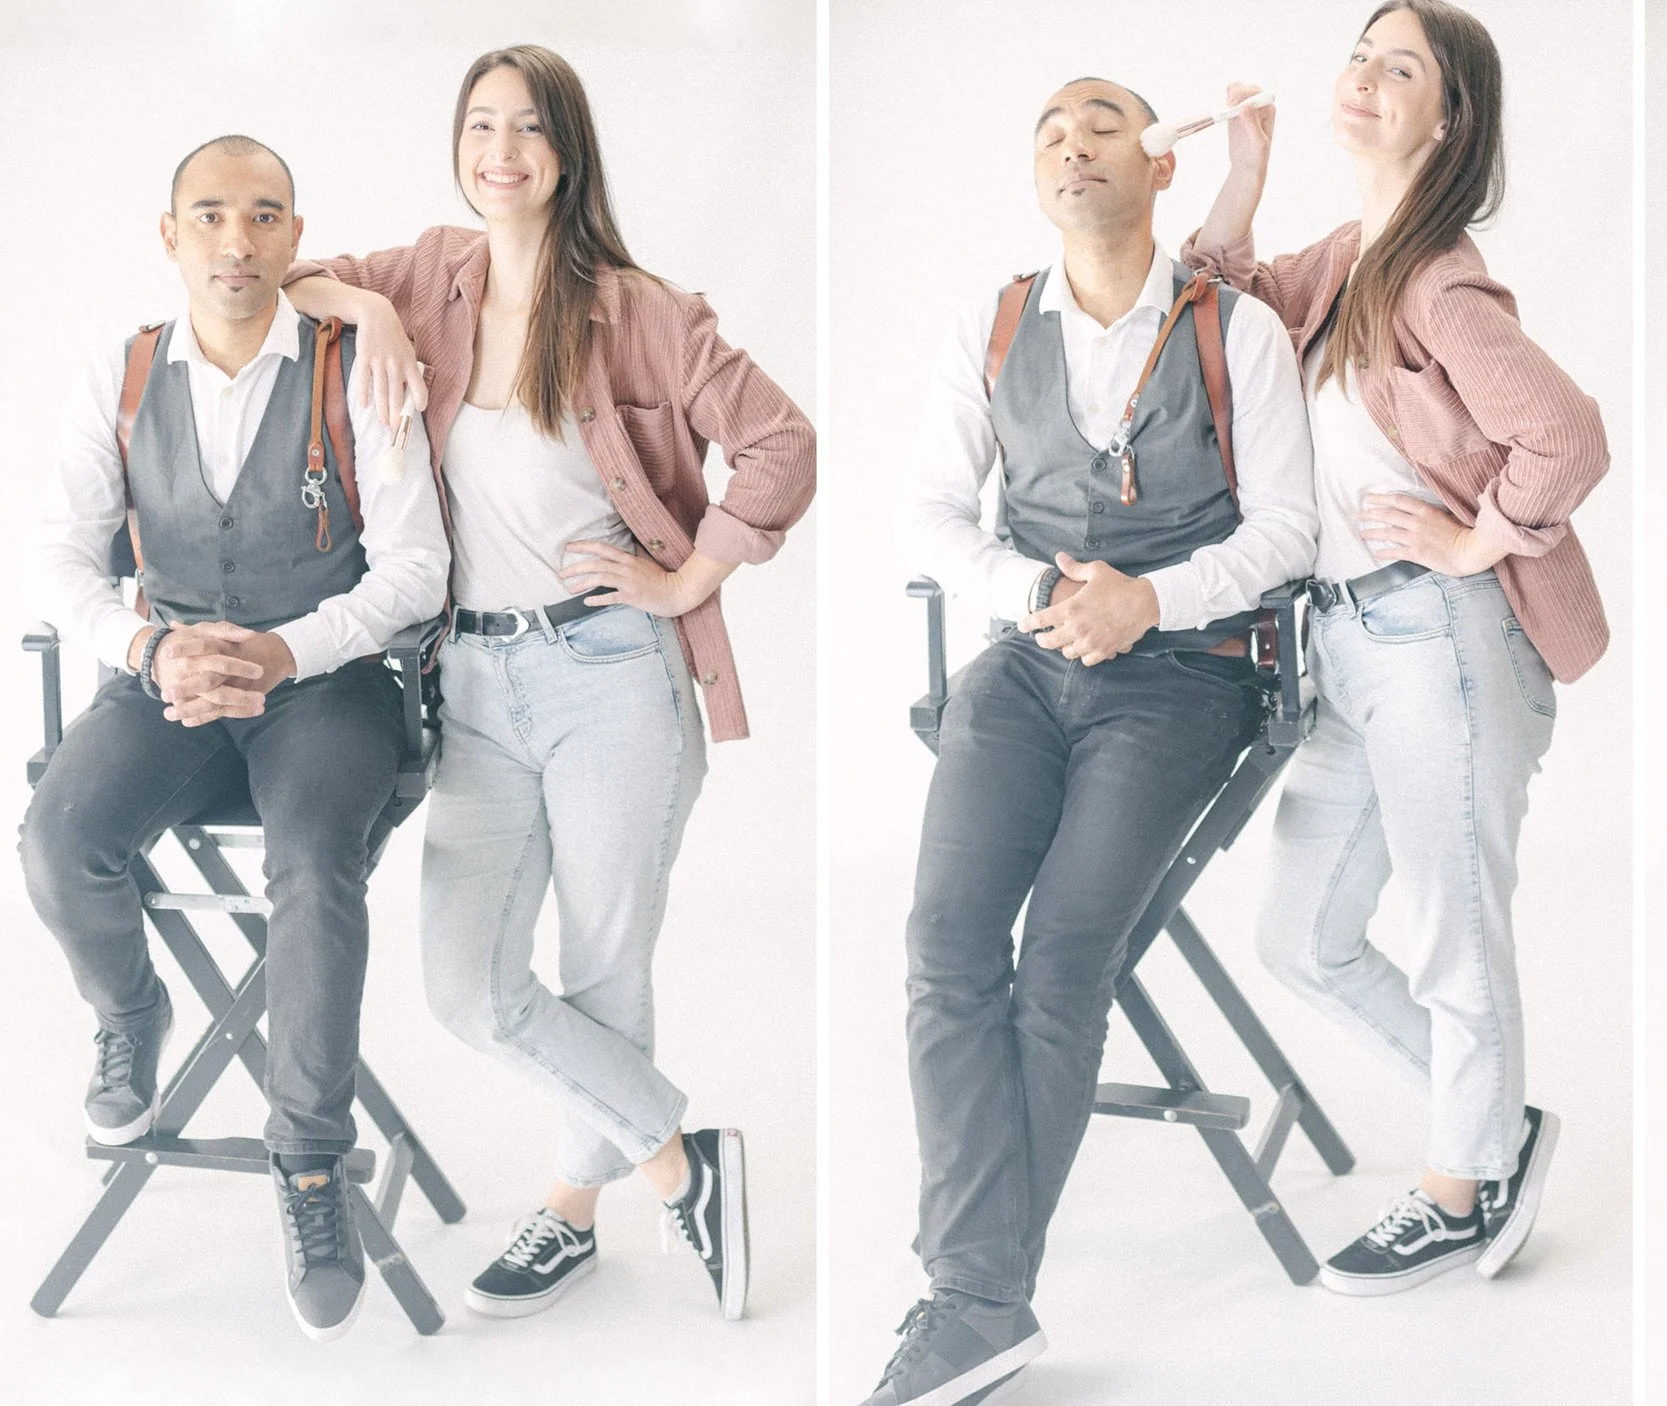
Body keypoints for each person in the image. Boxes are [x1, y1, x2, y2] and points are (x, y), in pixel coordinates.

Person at [282, 44, 817, 1322]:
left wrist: (689, 578)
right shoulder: (425, 272)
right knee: (466, 980)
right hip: (469, 673)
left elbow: (783, 444)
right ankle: (683, 1159)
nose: (500, 151)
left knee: (604, 956)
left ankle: (573, 1212)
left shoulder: (639, 308)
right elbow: (299, 284)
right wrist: (365, 313)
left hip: (610, 672)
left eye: (527, 128)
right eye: (480, 125)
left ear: (566, 152)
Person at [874, 75, 1317, 1406]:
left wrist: (1149, 601)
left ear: (1160, 167)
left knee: (1064, 953)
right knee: (945, 947)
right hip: (1024, 662)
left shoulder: (1238, 332)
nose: (1074, 145)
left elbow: (1286, 530)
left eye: (1105, 124)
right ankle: (979, 1288)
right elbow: (929, 515)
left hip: (1184, 677)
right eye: (1053, 130)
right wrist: (1038, 597)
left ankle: (972, 1298)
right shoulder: (990, 320)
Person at [1182, 0, 1608, 1297]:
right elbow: (1213, 308)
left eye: (1400, 64)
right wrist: (1245, 172)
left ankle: (1461, 1190)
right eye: (1359, 53)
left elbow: (1570, 437)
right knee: (1307, 934)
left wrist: (1483, 542)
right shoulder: (1348, 256)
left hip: (1443, 636)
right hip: (1348, 644)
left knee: (1448, 923)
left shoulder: (1433, 276)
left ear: (1450, 116)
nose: (1365, 74)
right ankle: (1489, 1128)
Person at [23, 135, 449, 1341]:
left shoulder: (354, 364)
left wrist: (292, 648)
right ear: (171, 235)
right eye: (210, 214)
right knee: (56, 838)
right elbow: (57, 553)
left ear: (294, 237)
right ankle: (130, 1017)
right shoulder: (119, 371)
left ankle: (310, 1161)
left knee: (313, 864)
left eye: (265, 216)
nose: (237, 239)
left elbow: (418, 566)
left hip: (328, 686)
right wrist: (147, 649)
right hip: (168, 678)